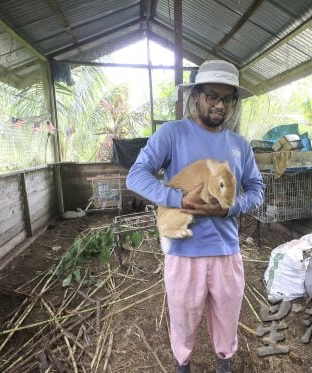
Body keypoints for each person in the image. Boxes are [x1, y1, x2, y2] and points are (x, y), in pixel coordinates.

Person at [126, 59, 264, 373]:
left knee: (227, 319)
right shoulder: (172, 134)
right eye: (212, 96)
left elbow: (257, 189)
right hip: (184, 251)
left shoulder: (240, 145)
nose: (219, 105)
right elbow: (136, 176)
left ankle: (223, 365)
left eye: (227, 98)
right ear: (196, 96)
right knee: (183, 320)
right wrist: (177, 198)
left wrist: (230, 207)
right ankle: (182, 366)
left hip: (227, 251)